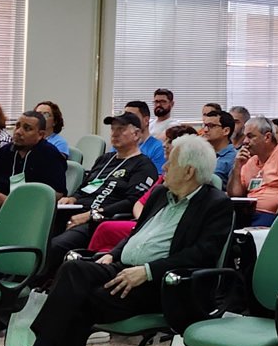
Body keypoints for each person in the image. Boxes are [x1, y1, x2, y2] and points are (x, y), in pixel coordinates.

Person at [0, 135, 234, 346]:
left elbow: (202, 255)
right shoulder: (159, 196)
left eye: (171, 162)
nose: (165, 167)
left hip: (165, 288)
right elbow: (136, 236)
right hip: (123, 272)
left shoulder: (215, 204)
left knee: (77, 303)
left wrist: (147, 271)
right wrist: (112, 254)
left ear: (189, 171)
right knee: (75, 272)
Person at [47, 113, 159, 262]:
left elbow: (132, 202)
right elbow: (85, 186)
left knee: (54, 246)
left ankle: (41, 283)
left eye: (121, 129)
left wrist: (91, 214)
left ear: (137, 134)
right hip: (74, 212)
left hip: (99, 220)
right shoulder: (104, 159)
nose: (115, 133)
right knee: (33, 238)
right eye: (113, 129)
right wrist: (72, 198)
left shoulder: (143, 166)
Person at [89, 124, 202, 254]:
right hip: (144, 222)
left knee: (105, 229)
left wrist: (147, 222)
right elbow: (140, 203)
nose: (164, 144)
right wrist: (143, 220)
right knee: (107, 238)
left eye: (169, 141)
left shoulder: (184, 178)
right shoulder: (163, 178)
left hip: (160, 227)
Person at [0, 110, 69, 225]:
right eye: (17, 126)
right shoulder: (6, 151)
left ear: (40, 135)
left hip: (31, 217)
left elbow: (57, 194)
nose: (18, 132)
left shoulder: (49, 155)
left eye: (27, 128)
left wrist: (9, 201)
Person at [229, 116, 278, 227]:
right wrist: (237, 167)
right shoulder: (250, 160)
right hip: (246, 213)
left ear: (267, 137)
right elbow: (236, 194)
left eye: (250, 136)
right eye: (245, 136)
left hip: (270, 215)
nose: (245, 141)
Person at [123, 100, 167, 173]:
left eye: (132, 117)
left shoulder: (158, 148)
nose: (127, 121)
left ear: (146, 120)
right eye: (125, 117)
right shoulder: (120, 145)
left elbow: (156, 179)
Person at [200, 106, 238, 184]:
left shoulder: (234, 158)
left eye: (211, 126)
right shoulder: (201, 154)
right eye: (205, 126)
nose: (206, 130)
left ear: (226, 131)